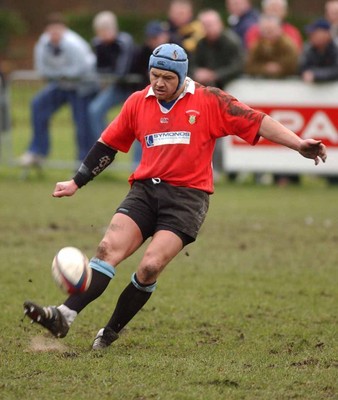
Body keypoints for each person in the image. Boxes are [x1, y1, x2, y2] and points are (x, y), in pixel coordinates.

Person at [23, 43, 327, 350]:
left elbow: (258, 121)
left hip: (187, 199)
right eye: (154, 75)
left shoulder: (210, 100)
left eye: (166, 78)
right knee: (107, 249)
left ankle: (111, 331)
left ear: (182, 77)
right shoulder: (137, 102)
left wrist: (298, 143)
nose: (158, 83)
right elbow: (107, 145)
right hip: (145, 191)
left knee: (149, 267)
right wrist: (77, 181)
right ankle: (63, 315)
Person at [19, 13, 97, 167]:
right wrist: (62, 75)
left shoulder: (74, 44)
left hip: (82, 87)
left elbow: (81, 69)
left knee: (82, 124)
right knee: (38, 105)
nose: (54, 35)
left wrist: (61, 75)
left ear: (64, 30)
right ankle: (38, 151)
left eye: (57, 31)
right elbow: (42, 70)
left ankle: (84, 161)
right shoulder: (42, 44)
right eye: (51, 31)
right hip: (62, 85)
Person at [192, 9, 244, 182]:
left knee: (229, 131)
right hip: (207, 96)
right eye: (205, 25)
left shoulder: (231, 42)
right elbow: (192, 65)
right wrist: (198, 73)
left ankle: (230, 170)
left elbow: (238, 66)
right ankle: (209, 169)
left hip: (230, 94)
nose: (208, 28)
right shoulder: (200, 44)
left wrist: (215, 75)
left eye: (210, 24)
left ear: (219, 24)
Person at [88, 11, 135, 140]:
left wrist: (110, 75)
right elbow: (100, 69)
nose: (103, 34)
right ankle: (105, 144)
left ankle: (139, 159)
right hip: (117, 87)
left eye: (106, 30)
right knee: (95, 110)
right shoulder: (98, 44)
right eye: (100, 31)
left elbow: (122, 71)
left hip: (134, 88)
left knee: (139, 118)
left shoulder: (124, 41)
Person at [300, 18, 338, 83]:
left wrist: (315, 74)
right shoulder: (308, 48)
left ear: (326, 34)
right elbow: (302, 67)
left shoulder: (335, 49)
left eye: (314, 33)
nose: (310, 36)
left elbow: (336, 70)